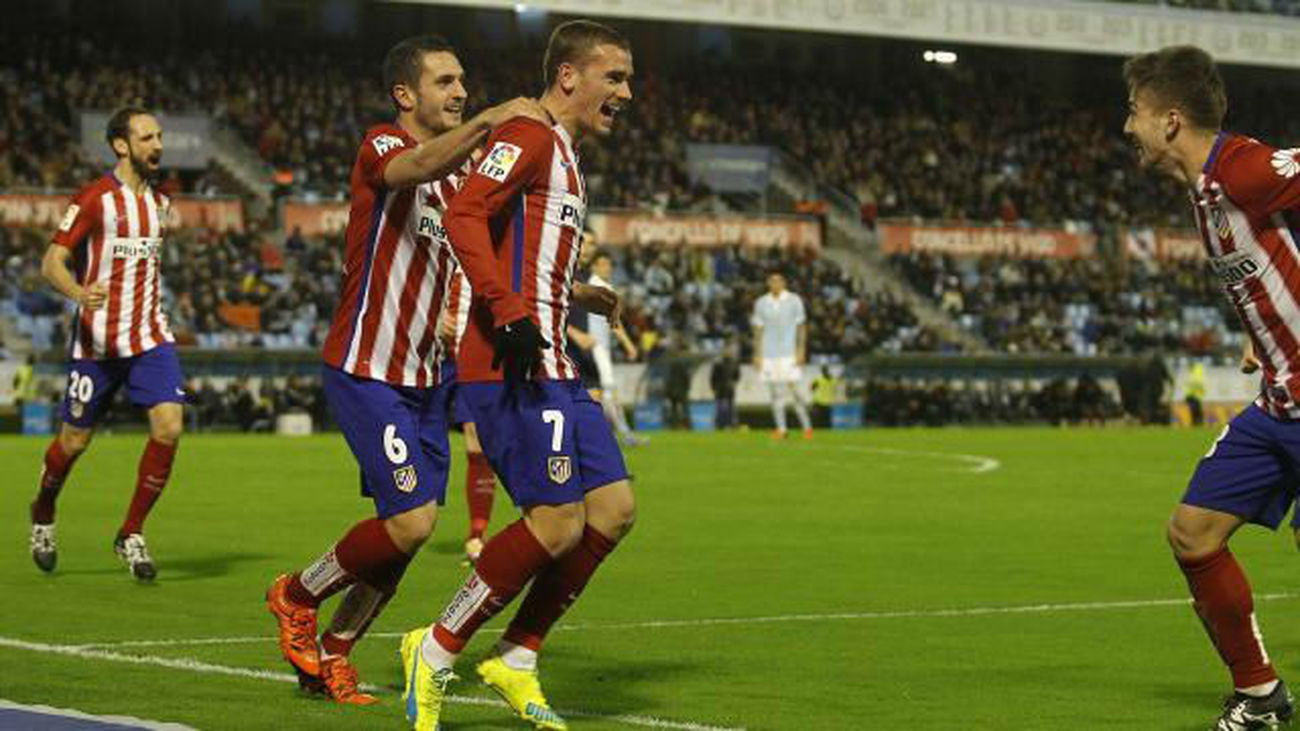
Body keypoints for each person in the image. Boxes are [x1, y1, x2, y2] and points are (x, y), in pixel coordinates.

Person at [263, 34, 544, 706]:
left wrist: (574, 291)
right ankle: (296, 593)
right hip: (367, 365)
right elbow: (413, 166)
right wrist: (490, 120)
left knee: (405, 537)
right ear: (405, 95)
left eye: (463, 82)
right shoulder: (384, 146)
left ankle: (333, 652)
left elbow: (495, 256)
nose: (460, 93)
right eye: (445, 83)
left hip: (425, 377)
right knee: (412, 520)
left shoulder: (458, 180)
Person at [401, 19, 635, 731]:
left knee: (613, 510)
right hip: (505, 362)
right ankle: (434, 650)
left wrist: (574, 294)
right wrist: (505, 310)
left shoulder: (565, 151)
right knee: (557, 523)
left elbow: (527, 255)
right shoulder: (529, 135)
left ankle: (519, 655)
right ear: (569, 75)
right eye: (614, 77)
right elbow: (468, 212)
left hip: (552, 359)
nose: (626, 93)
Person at [1124, 44, 1300, 728]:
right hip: (1280, 401)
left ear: (1170, 119)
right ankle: (1258, 694)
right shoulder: (1206, 194)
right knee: (1192, 533)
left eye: (1133, 112)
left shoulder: (1243, 168)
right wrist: (1260, 343)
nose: (1126, 126)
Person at [28, 106, 184, 582]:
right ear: (121, 145)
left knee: (169, 427)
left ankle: (130, 532)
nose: (157, 145)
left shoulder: (160, 204)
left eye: (159, 136)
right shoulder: (95, 199)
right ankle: (43, 510)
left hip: (150, 337)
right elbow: (52, 262)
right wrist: (79, 293)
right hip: (97, 345)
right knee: (73, 443)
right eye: (146, 137)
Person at [440, 267, 501, 566]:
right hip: (432, 356)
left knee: (477, 444)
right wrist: (434, 316)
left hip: (474, 358)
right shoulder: (439, 235)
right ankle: (399, 526)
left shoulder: (493, 244)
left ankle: (477, 533)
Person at [585, 246, 645, 445]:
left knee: (603, 393)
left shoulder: (594, 286)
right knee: (608, 390)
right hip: (596, 348)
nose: (606, 268)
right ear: (593, 267)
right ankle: (624, 434)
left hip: (600, 347)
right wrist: (629, 345)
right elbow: (615, 323)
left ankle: (608, 434)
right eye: (602, 264)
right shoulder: (598, 288)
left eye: (608, 264)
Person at [751, 270, 813, 439]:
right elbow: (758, 329)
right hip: (769, 353)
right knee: (775, 393)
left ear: (784, 283)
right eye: (772, 281)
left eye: (778, 281)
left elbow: (801, 327)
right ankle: (781, 429)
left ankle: (807, 427)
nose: (775, 284)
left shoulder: (794, 301)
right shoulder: (761, 303)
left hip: (789, 353)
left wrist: (801, 350)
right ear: (768, 283)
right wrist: (757, 354)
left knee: (795, 391)